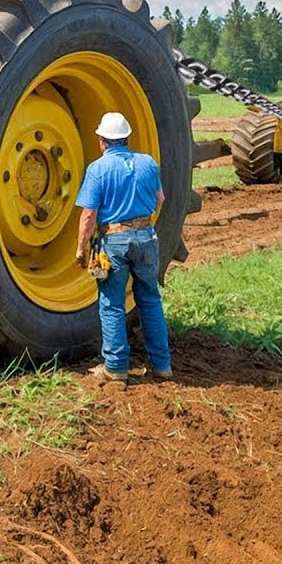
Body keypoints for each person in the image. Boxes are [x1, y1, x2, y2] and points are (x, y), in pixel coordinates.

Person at [74, 112, 171, 383]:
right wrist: (144, 223)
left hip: (114, 241)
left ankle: (115, 368)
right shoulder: (148, 163)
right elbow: (160, 199)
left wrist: (81, 249)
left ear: (101, 141)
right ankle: (162, 365)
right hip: (146, 237)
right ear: (127, 138)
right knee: (150, 299)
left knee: (112, 303)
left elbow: (88, 216)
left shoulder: (98, 169)